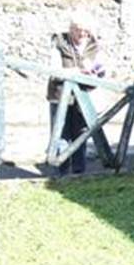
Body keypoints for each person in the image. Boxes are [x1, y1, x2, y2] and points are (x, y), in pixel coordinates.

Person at [48, 21, 104, 175]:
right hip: (60, 96)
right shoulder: (60, 43)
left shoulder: (93, 45)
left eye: (85, 31)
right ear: (71, 30)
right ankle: (62, 171)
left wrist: (96, 72)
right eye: (79, 30)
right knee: (62, 134)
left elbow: (101, 67)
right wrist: (79, 71)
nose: (82, 35)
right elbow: (55, 71)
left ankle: (79, 172)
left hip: (84, 97)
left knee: (81, 133)